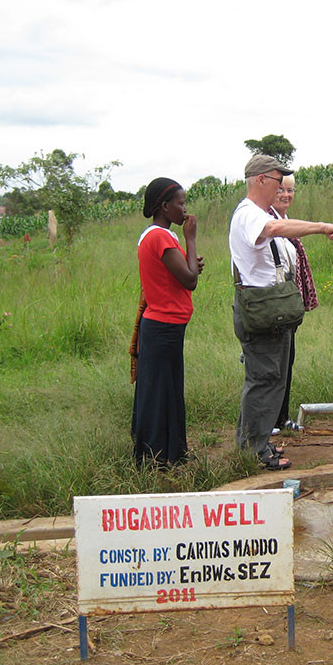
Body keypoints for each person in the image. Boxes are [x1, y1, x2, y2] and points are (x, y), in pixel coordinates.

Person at [230, 154, 333, 471]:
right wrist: (322, 227)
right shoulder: (250, 216)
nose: (282, 187)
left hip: (272, 309)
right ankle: (254, 450)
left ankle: (253, 442)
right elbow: (273, 228)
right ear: (260, 180)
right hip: (263, 310)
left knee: (269, 378)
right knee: (264, 379)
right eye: (277, 180)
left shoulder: (261, 212)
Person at [131, 177, 201, 466]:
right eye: (180, 203)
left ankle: (162, 452)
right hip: (164, 326)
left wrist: (191, 264)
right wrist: (192, 238)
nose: (184, 209)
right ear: (164, 205)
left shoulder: (153, 235)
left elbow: (182, 273)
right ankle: (160, 455)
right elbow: (189, 280)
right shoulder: (162, 236)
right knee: (163, 392)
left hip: (161, 325)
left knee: (161, 390)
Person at [269, 174, 318, 435]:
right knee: (274, 363)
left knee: (287, 360)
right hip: (274, 304)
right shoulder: (267, 222)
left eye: (291, 190)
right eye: (281, 190)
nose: (287, 195)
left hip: (289, 302)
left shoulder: (285, 221)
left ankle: (281, 417)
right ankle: (269, 421)